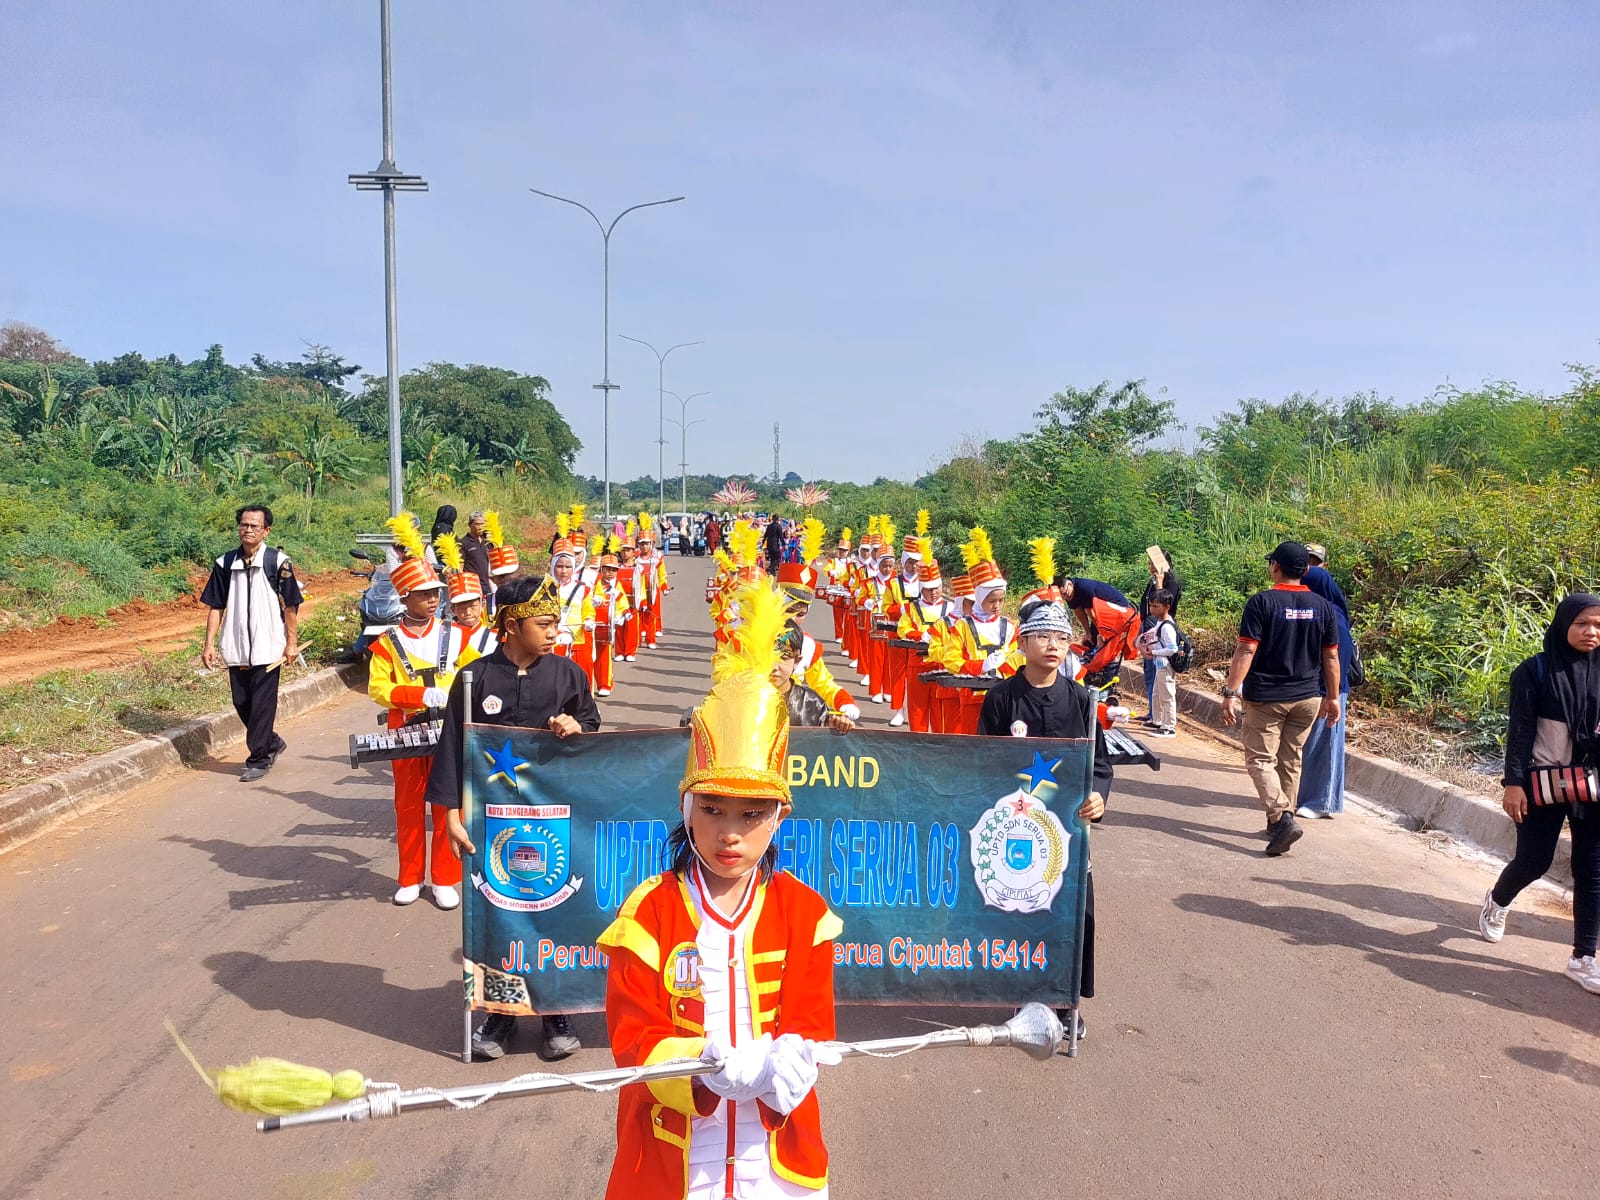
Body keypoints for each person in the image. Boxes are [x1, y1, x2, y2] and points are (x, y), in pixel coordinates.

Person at [597, 578, 841, 1199]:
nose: (730, 834)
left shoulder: (804, 911)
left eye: (752, 814)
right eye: (713, 810)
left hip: (772, 1149)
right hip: (672, 1151)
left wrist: (794, 1059)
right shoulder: (647, 912)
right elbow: (633, 1038)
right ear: (687, 809)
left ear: (778, 819)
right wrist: (706, 1068)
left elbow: (811, 1019)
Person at [433, 573, 602, 1059]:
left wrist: (577, 725)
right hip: (492, 821)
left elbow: (591, 725)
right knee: (500, 914)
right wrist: (448, 814)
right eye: (544, 623)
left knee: (555, 909)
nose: (554, 632)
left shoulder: (569, 674)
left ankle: (556, 1012)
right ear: (511, 624)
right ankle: (501, 1015)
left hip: (554, 817)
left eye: (556, 624)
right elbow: (451, 749)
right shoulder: (472, 679)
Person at [976, 598, 1111, 1037]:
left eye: (1062, 638)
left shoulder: (1082, 701)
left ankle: (1067, 999)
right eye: (1044, 637)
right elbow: (983, 761)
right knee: (1019, 912)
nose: (1054, 646)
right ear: (1024, 641)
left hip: (1070, 830)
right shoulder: (1000, 699)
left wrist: (1098, 797)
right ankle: (1022, 994)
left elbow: (1101, 767)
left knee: (1077, 915)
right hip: (1016, 830)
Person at [1477, 594, 1600, 995]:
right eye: (1582, 623)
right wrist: (1513, 783)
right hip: (1543, 782)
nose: (1591, 632)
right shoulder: (1536, 671)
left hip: (1593, 785)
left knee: (1592, 871)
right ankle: (1498, 900)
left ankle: (1583, 958)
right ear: (1564, 623)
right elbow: (1521, 731)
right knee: (1533, 860)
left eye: (1598, 625)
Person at [1218, 542, 1342, 857]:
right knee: (1291, 760)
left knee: (1260, 760)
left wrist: (1230, 692)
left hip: (1268, 698)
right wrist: (1332, 697)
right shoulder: (1323, 606)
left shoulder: (1262, 602)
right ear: (1305, 570)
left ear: (1275, 566)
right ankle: (1278, 824)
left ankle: (1282, 817)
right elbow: (1331, 657)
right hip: (1308, 698)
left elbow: (1246, 650)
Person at [367, 556, 470, 908]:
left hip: (449, 730)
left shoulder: (457, 634)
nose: (433, 599)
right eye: (424, 593)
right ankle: (410, 877)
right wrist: (419, 695)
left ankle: (444, 878)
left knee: (448, 805)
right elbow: (378, 688)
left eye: (436, 593)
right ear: (405, 596)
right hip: (406, 731)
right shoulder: (386, 642)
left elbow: (476, 673)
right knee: (408, 806)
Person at [200, 504, 303, 782]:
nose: (248, 530)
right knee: (241, 702)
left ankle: (258, 759)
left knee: (261, 705)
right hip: (236, 647)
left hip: (269, 647)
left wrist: (291, 643)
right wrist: (209, 644)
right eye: (244, 525)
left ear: (266, 530)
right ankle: (271, 742)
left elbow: (291, 605)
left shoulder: (278, 562)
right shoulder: (225, 563)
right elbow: (214, 606)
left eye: (254, 526)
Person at [1297, 548, 1354, 818]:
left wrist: (1328, 693)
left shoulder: (1333, 618)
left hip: (1329, 689)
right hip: (1322, 687)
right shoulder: (1320, 611)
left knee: (1325, 743)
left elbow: (1335, 659)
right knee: (1317, 743)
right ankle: (1317, 798)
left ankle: (1321, 802)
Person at [1055, 574, 1141, 686]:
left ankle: (1107, 681)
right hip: (1100, 614)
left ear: (1070, 584)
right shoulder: (1069, 593)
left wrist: (1102, 633)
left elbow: (1092, 612)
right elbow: (1078, 611)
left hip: (1117, 613)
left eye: (1065, 594)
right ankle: (1090, 675)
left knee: (1106, 645)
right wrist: (1088, 632)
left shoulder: (1084, 588)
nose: (1065, 597)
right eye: (1062, 596)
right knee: (1090, 643)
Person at [772, 622, 856, 731]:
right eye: (767, 656)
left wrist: (838, 728)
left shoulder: (811, 703)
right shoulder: (744, 699)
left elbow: (823, 683)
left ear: (797, 661)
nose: (774, 666)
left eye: (784, 657)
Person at [1138, 548, 1183, 720]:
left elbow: (1163, 602)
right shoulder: (1154, 579)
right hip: (1149, 627)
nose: (1150, 566)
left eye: (1152, 563)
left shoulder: (1170, 582)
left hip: (1160, 631)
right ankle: (1153, 713)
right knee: (1149, 671)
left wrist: (1159, 583)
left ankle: (1159, 717)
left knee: (1157, 673)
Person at [1135, 589, 1180, 738]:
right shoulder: (1159, 623)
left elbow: (1172, 649)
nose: (1152, 609)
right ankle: (1158, 720)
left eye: (1156, 606)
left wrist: (1153, 652)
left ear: (1167, 607)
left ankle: (1169, 727)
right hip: (1159, 665)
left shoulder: (1167, 626)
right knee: (1156, 694)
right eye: (1151, 605)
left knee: (1167, 696)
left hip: (1166, 665)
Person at [460, 512, 495, 612]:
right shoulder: (464, 543)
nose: (480, 527)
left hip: (487, 586)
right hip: (473, 586)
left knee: (489, 615)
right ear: (470, 525)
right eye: (477, 524)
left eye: (482, 524)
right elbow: (460, 567)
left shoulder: (487, 542)